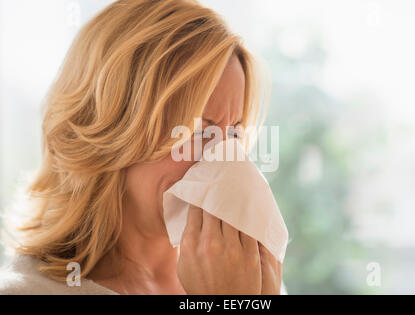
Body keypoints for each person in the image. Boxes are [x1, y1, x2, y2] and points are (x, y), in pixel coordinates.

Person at [0, 0, 282, 295]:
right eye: (199, 132)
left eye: (234, 135)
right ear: (114, 131)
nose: (227, 160)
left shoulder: (240, 273)